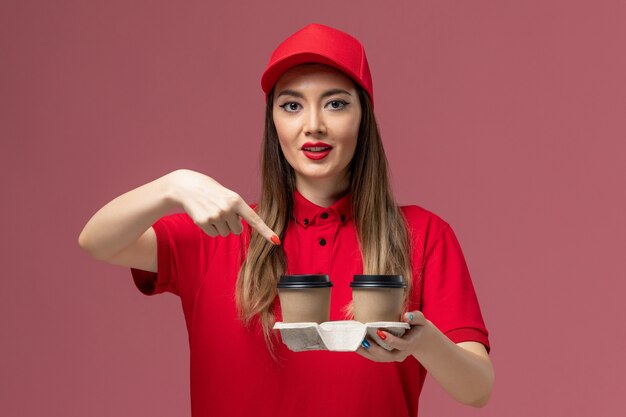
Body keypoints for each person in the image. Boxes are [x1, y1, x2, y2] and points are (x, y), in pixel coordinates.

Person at [79, 23, 493, 417]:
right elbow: (97, 241)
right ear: (273, 122)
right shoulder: (222, 231)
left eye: (336, 103)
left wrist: (424, 342)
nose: (313, 125)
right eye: (292, 105)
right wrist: (172, 185)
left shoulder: (423, 235)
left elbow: (477, 388)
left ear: (363, 117)